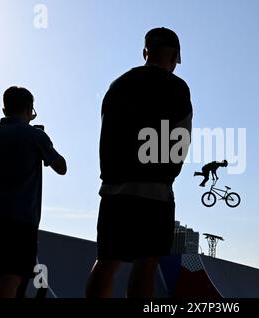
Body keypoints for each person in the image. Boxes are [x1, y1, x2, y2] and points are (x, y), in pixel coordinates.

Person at [85, 27, 192, 298]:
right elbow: (180, 140)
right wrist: (166, 173)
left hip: (114, 190)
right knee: (147, 263)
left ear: (145, 52)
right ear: (175, 57)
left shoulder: (118, 85)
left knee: (107, 261)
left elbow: (106, 134)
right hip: (154, 193)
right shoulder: (177, 88)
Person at [0, 86, 67, 298]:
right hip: (20, 219)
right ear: (30, 109)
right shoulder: (34, 136)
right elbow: (61, 167)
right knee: (12, 276)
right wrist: (42, 140)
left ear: (4, 110)